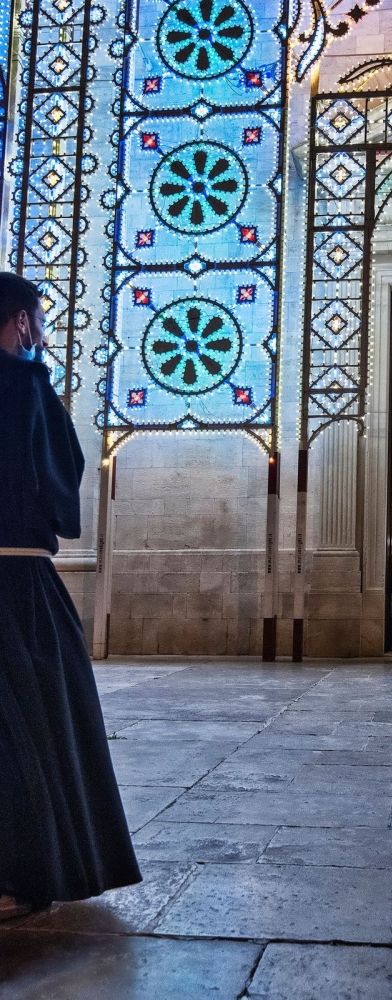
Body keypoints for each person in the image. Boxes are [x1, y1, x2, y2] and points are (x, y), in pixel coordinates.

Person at [0, 272, 141, 920]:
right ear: (23, 323)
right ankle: (26, 871)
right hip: (18, 586)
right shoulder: (24, 385)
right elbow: (60, 486)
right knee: (35, 733)